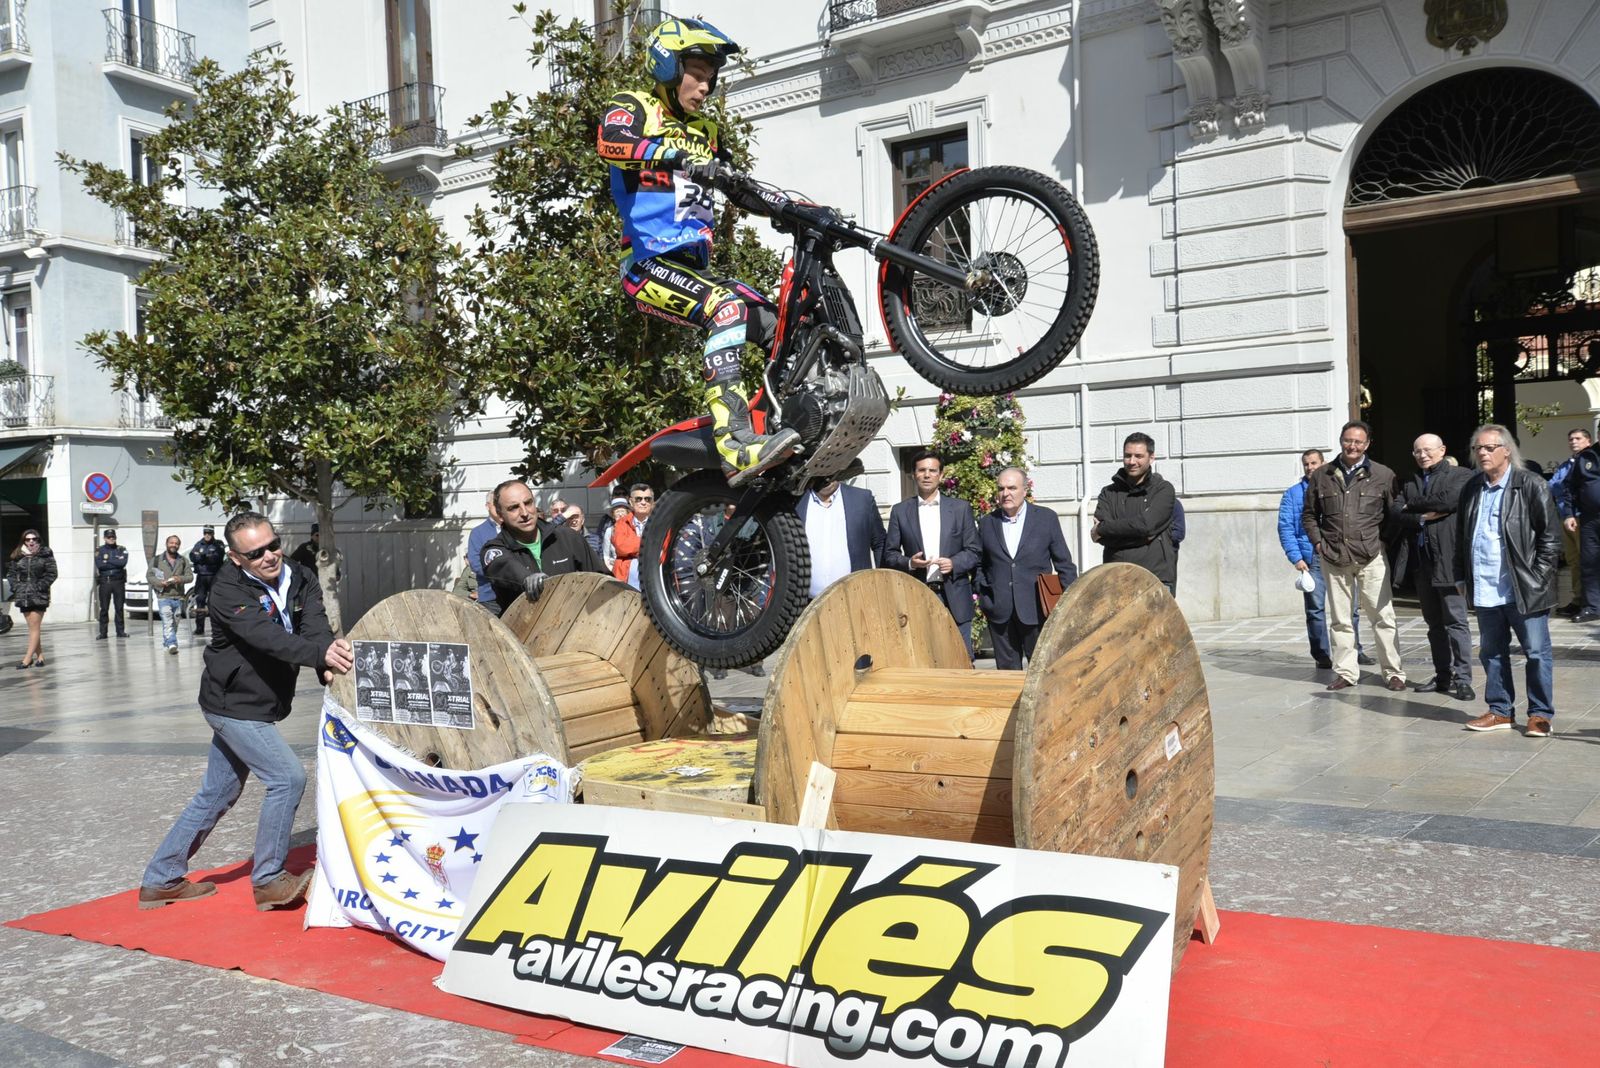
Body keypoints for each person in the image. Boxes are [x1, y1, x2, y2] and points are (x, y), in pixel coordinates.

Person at [597, 17, 799, 483]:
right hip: (646, 266)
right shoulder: (636, 106)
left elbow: (737, 185)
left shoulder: (707, 128)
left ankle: (792, 430)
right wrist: (677, 156)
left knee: (779, 321)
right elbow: (610, 142)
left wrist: (789, 208)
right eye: (698, 74)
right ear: (669, 66)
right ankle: (734, 442)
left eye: (711, 77)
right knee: (725, 310)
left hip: (695, 270)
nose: (706, 86)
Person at [138, 512, 353, 911]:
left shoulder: (300, 576)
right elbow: (268, 638)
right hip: (232, 704)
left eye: (273, 545)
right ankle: (269, 879)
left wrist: (324, 656)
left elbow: (315, 626)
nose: (270, 556)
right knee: (287, 778)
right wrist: (317, 655)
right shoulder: (226, 589)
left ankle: (161, 878)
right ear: (237, 558)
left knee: (217, 792)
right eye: (256, 553)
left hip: (262, 702)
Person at [1455, 425, 1560, 736]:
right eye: (1478, 449)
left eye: (1489, 448)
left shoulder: (1530, 484)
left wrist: (1538, 577)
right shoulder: (1472, 488)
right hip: (1486, 586)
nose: (1483, 453)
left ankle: (1540, 714)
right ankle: (1500, 710)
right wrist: (1462, 575)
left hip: (1524, 586)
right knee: (1492, 652)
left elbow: (1550, 539)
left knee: (1537, 652)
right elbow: (1463, 536)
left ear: (1507, 450)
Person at [1302, 420, 1406, 692]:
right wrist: (1318, 543)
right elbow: (1310, 515)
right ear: (1341, 440)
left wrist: (1383, 541)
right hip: (1333, 556)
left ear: (1367, 444)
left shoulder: (1383, 475)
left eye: (1358, 441)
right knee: (1340, 619)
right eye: (1348, 440)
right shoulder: (1322, 475)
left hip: (1371, 556)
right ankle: (1347, 673)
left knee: (1382, 616)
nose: (1352, 445)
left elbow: (1395, 515)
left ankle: (1393, 672)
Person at [1393, 433, 1475, 701]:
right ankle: (1442, 676)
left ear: (1442, 450)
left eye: (1427, 450)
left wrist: (1412, 505)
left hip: (1449, 562)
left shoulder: (1460, 475)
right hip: (1422, 563)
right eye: (1417, 451)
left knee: (1456, 622)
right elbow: (1394, 511)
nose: (1422, 455)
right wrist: (1419, 517)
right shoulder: (1410, 480)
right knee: (1434, 625)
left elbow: (1448, 500)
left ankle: (1463, 679)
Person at [1276, 449, 1373, 671]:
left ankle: (1354, 650)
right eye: (1306, 464)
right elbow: (1286, 528)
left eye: (1314, 463)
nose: (1310, 468)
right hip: (1312, 558)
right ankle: (1322, 655)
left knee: (1350, 607)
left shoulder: (1335, 486)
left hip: (1340, 554)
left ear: (1323, 463)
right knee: (1315, 609)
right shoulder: (1292, 494)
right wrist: (1296, 557)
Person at [976, 467, 1077, 669]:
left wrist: (1070, 602)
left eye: (1012, 488)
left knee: (1044, 671)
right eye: (1001, 488)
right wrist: (985, 595)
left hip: (1037, 610)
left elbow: (1064, 563)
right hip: (1001, 612)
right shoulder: (987, 523)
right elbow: (979, 563)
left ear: (1025, 490)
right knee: (1007, 675)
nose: (1006, 494)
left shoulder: (1045, 519)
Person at [883, 450, 981, 656]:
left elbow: (974, 551)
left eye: (932, 470)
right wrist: (910, 562)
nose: (927, 475)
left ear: (941, 475)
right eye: (922, 470)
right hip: (918, 593)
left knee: (961, 657)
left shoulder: (960, 509)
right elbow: (889, 555)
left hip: (954, 594)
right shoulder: (900, 511)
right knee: (924, 655)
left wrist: (954, 563)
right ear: (914, 475)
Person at [480, 479, 609, 609]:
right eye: (513, 508)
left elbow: (604, 581)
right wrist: (526, 578)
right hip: (523, 627)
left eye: (528, 503)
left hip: (575, 624)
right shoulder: (493, 550)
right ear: (500, 515)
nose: (524, 513)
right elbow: (503, 565)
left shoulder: (567, 537)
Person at [1092, 432, 1177, 594]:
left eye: (1138, 456)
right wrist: (1142, 538)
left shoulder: (1163, 490)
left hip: (1155, 579)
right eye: (1127, 456)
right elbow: (1106, 537)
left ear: (1151, 458)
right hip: (1115, 578)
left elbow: (1147, 525)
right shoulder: (1108, 493)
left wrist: (1103, 529)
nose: (1132, 461)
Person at [795, 479, 886, 598]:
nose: (826, 477)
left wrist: (883, 584)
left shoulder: (862, 499)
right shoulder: (795, 502)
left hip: (855, 600)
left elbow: (879, 543)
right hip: (803, 605)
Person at [1557, 430, 1600, 624]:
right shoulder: (1586, 457)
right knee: (1588, 563)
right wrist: (1569, 514)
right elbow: (1569, 487)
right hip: (1590, 520)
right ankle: (1592, 607)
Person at [1549, 428, 1592, 617]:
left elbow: (1570, 486)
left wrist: (1562, 486)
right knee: (1573, 560)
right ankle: (1578, 599)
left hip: (1583, 517)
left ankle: (1590, 601)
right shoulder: (1568, 463)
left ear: (1588, 441)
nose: (1573, 441)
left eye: (1578, 438)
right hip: (1565, 516)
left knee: (1587, 561)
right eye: (1570, 439)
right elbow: (1552, 485)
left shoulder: (1590, 462)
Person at [6, 529, 56, 669]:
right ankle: (40, 657)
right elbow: (11, 574)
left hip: (39, 595)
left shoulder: (46, 554)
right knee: (33, 628)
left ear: (39, 540)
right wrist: (16, 587)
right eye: (28, 539)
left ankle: (27, 659)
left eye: (34, 539)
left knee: (34, 627)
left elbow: (52, 573)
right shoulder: (18, 555)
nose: (31, 542)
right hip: (23, 596)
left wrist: (40, 586)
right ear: (24, 541)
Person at [149, 534, 194, 656]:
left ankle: (167, 643)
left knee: (175, 622)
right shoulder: (157, 560)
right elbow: (150, 576)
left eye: (176, 543)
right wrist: (160, 583)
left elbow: (190, 577)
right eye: (171, 543)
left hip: (178, 597)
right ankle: (172, 643)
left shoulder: (183, 561)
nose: (174, 545)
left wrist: (179, 578)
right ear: (166, 544)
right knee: (167, 621)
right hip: (164, 596)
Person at [611, 484, 654, 588]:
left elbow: (663, 548)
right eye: (638, 499)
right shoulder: (621, 523)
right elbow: (622, 547)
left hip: (654, 574)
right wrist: (649, 542)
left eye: (647, 499)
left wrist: (633, 543)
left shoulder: (660, 523)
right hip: (627, 576)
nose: (643, 502)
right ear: (631, 502)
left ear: (652, 502)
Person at [467, 492, 502, 616]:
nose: (499, 508)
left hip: (517, 594)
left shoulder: (514, 529)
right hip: (490, 596)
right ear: (487, 506)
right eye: (495, 504)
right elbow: (476, 564)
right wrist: (504, 576)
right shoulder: (478, 533)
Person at [188, 525, 225, 636]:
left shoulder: (218, 544)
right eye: (205, 533)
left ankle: (217, 629)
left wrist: (202, 557)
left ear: (213, 533)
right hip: (201, 577)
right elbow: (192, 556)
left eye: (209, 533)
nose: (207, 535)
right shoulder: (199, 544)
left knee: (215, 603)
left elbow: (217, 557)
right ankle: (199, 628)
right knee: (200, 602)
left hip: (214, 576)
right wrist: (204, 557)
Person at [95, 528, 130, 640]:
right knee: (104, 608)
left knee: (119, 608)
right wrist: (114, 561)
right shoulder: (99, 550)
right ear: (105, 538)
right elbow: (100, 565)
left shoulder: (121, 549)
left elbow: (122, 563)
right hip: (105, 581)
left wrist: (108, 560)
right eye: (109, 537)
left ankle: (120, 631)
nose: (111, 539)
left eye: (113, 537)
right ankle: (103, 633)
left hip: (118, 581)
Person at [599, 496, 629, 575]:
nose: (620, 514)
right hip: (615, 569)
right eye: (617, 511)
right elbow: (606, 555)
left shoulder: (633, 529)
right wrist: (611, 570)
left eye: (623, 511)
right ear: (613, 515)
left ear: (627, 513)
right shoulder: (609, 531)